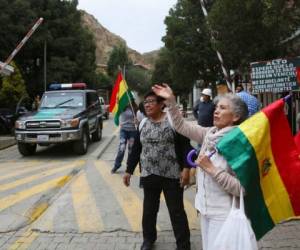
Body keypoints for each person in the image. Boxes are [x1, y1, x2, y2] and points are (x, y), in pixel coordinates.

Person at [152, 84, 250, 250]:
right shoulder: (209, 134)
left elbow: (242, 188)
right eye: (216, 107)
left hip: (224, 214)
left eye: (223, 108)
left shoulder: (239, 143)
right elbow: (181, 126)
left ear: (235, 116)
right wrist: (171, 102)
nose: (216, 111)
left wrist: (211, 169)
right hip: (204, 210)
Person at [123, 91, 192, 250]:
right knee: (149, 210)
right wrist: (128, 170)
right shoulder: (142, 124)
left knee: (176, 211)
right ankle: (148, 240)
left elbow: (185, 145)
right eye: (145, 102)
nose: (147, 104)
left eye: (151, 101)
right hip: (149, 173)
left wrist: (186, 169)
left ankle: (183, 244)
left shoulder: (173, 121)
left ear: (162, 104)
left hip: (172, 174)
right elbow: (136, 149)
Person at [111, 102, 138, 174]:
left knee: (131, 150)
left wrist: (137, 120)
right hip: (124, 130)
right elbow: (115, 112)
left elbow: (140, 119)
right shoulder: (121, 107)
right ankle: (116, 165)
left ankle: (129, 167)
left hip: (133, 131)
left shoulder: (135, 108)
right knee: (121, 148)